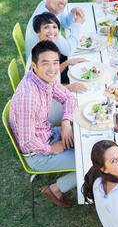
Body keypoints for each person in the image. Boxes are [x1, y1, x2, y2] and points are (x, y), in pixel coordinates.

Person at [9, 40, 77, 208]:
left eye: (55, 62)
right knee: (91, 160)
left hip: (48, 133)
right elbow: (27, 141)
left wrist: (66, 123)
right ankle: (55, 189)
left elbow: (69, 97)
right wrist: (51, 149)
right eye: (46, 63)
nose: (53, 69)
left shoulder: (45, 78)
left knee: (93, 141)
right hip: (38, 153)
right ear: (34, 65)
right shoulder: (28, 97)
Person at [25, 12, 88, 126]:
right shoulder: (37, 60)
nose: (51, 31)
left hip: (54, 99)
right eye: (46, 27)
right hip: (48, 111)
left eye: (54, 27)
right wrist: (68, 88)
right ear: (38, 32)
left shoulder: (44, 49)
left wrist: (67, 62)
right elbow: (41, 96)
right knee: (84, 104)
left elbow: (50, 74)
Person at [25, 0, 85, 83]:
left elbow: (64, 23)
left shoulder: (47, 5)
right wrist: (77, 25)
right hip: (42, 70)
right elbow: (69, 50)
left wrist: (72, 14)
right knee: (84, 70)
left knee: (84, 60)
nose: (63, 1)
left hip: (50, 57)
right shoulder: (46, 27)